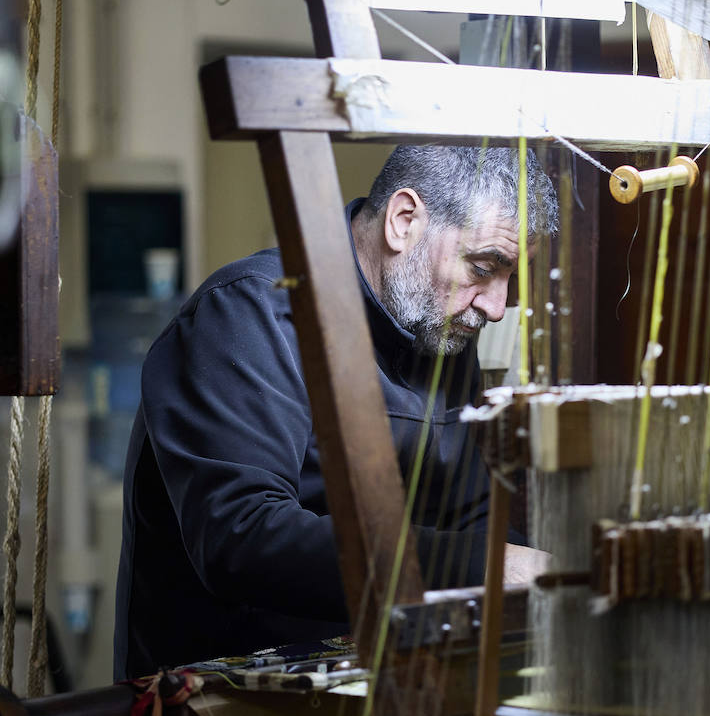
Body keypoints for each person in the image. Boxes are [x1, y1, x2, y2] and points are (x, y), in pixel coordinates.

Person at [114, 144, 557, 679]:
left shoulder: (437, 327)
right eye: (484, 268)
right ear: (403, 221)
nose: (494, 305)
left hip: (374, 685)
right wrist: (483, 567)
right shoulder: (247, 315)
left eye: (511, 282)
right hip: (217, 711)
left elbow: (468, 512)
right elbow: (243, 537)